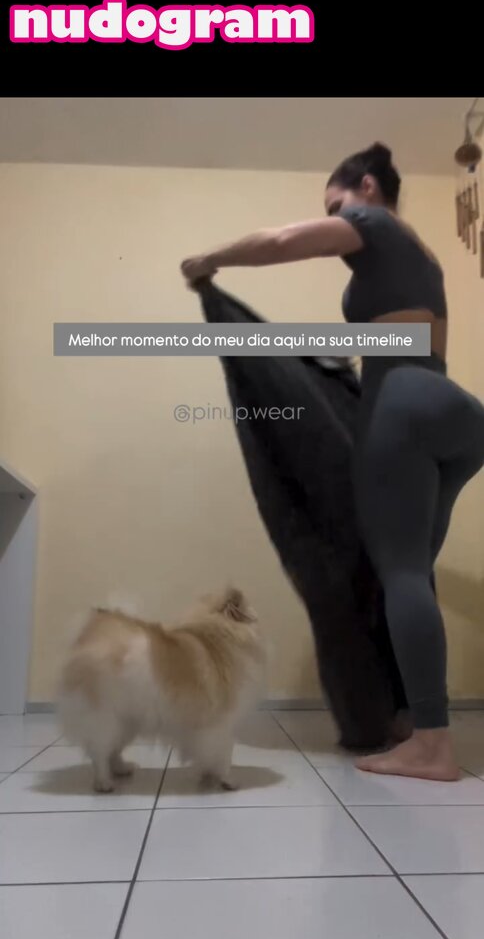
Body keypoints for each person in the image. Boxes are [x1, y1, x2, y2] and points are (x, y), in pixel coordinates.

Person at [181, 142, 484, 781]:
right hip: (455, 413)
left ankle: (432, 747)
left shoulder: (370, 222)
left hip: (402, 404)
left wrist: (211, 260)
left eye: (335, 204)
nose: (332, 217)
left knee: (401, 574)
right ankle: (413, 719)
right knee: (409, 577)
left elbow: (281, 241)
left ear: (367, 187)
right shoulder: (421, 254)